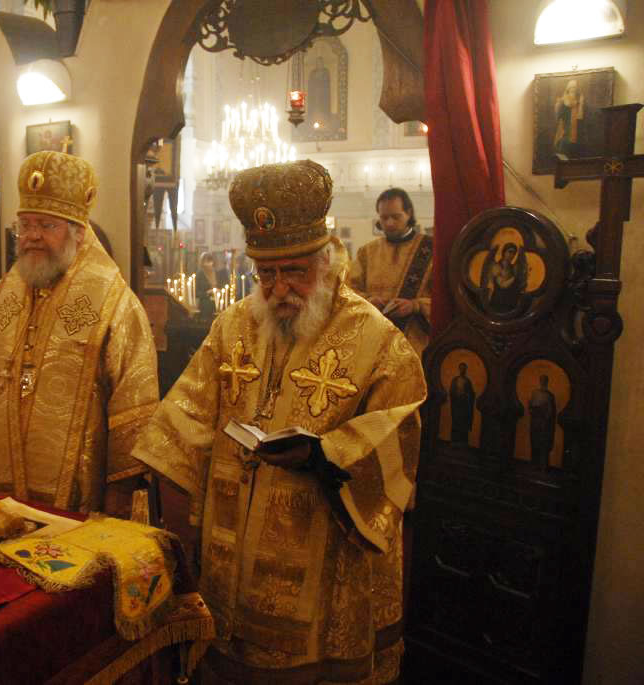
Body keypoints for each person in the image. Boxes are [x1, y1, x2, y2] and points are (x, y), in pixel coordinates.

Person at [133, 160, 426, 683]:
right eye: (265, 274)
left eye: (294, 272)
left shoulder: (376, 339)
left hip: (322, 554)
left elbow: (398, 431)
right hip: (229, 550)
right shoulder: (232, 325)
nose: (278, 289)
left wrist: (326, 455)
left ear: (326, 261)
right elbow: (186, 415)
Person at [0, 151, 159, 515]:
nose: (32, 236)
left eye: (47, 226)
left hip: (77, 512)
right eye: (25, 225)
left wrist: (117, 510)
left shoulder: (115, 306)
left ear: (78, 233)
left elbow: (134, 415)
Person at [347, 187, 432, 356]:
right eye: (384, 217)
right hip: (375, 341)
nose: (389, 223)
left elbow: (445, 298)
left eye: (396, 216)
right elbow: (349, 291)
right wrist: (368, 300)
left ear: (408, 213)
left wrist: (415, 306)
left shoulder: (431, 250)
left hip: (416, 342)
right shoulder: (367, 252)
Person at [528, 375, 557, 466]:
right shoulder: (535, 393)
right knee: (534, 442)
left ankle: (543, 465)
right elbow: (530, 407)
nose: (543, 382)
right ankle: (534, 464)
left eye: (544, 380)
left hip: (544, 424)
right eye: (541, 380)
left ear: (547, 382)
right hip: (535, 422)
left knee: (543, 444)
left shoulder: (550, 395)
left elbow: (551, 412)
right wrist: (533, 410)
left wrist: (544, 415)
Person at [554, 79, 585, 157]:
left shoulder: (578, 102)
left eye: (575, 87)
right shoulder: (562, 101)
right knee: (562, 155)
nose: (573, 89)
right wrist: (558, 105)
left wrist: (581, 104)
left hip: (575, 134)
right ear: (568, 88)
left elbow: (580, 117)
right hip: (565, 133)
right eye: (572, 87)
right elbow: (558, 116)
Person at [195, 251, 229, 319]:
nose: (207, 264)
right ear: (202, 263)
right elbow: (197, 293)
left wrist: (220, 290)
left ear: (212, 262)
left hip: (218, 301)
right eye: (205, 262)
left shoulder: (217, 273)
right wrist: (208, 292)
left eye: (209, 261)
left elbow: (223, 286)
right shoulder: (200, 274)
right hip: (205, 304)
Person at [449, 362, 476, 445]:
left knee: (463, 424)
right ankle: (454, 441)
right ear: (459, 369)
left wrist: (466, 395)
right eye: (461, 368)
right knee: (455, 422)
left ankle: (463, 443)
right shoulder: (455, 380)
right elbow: (451, 392)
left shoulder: (468, 381)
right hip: (456, 405)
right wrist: (456, 395)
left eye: (464, 369)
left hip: (464, 406)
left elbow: (471, 394)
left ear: (466, 370)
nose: (462, 370)